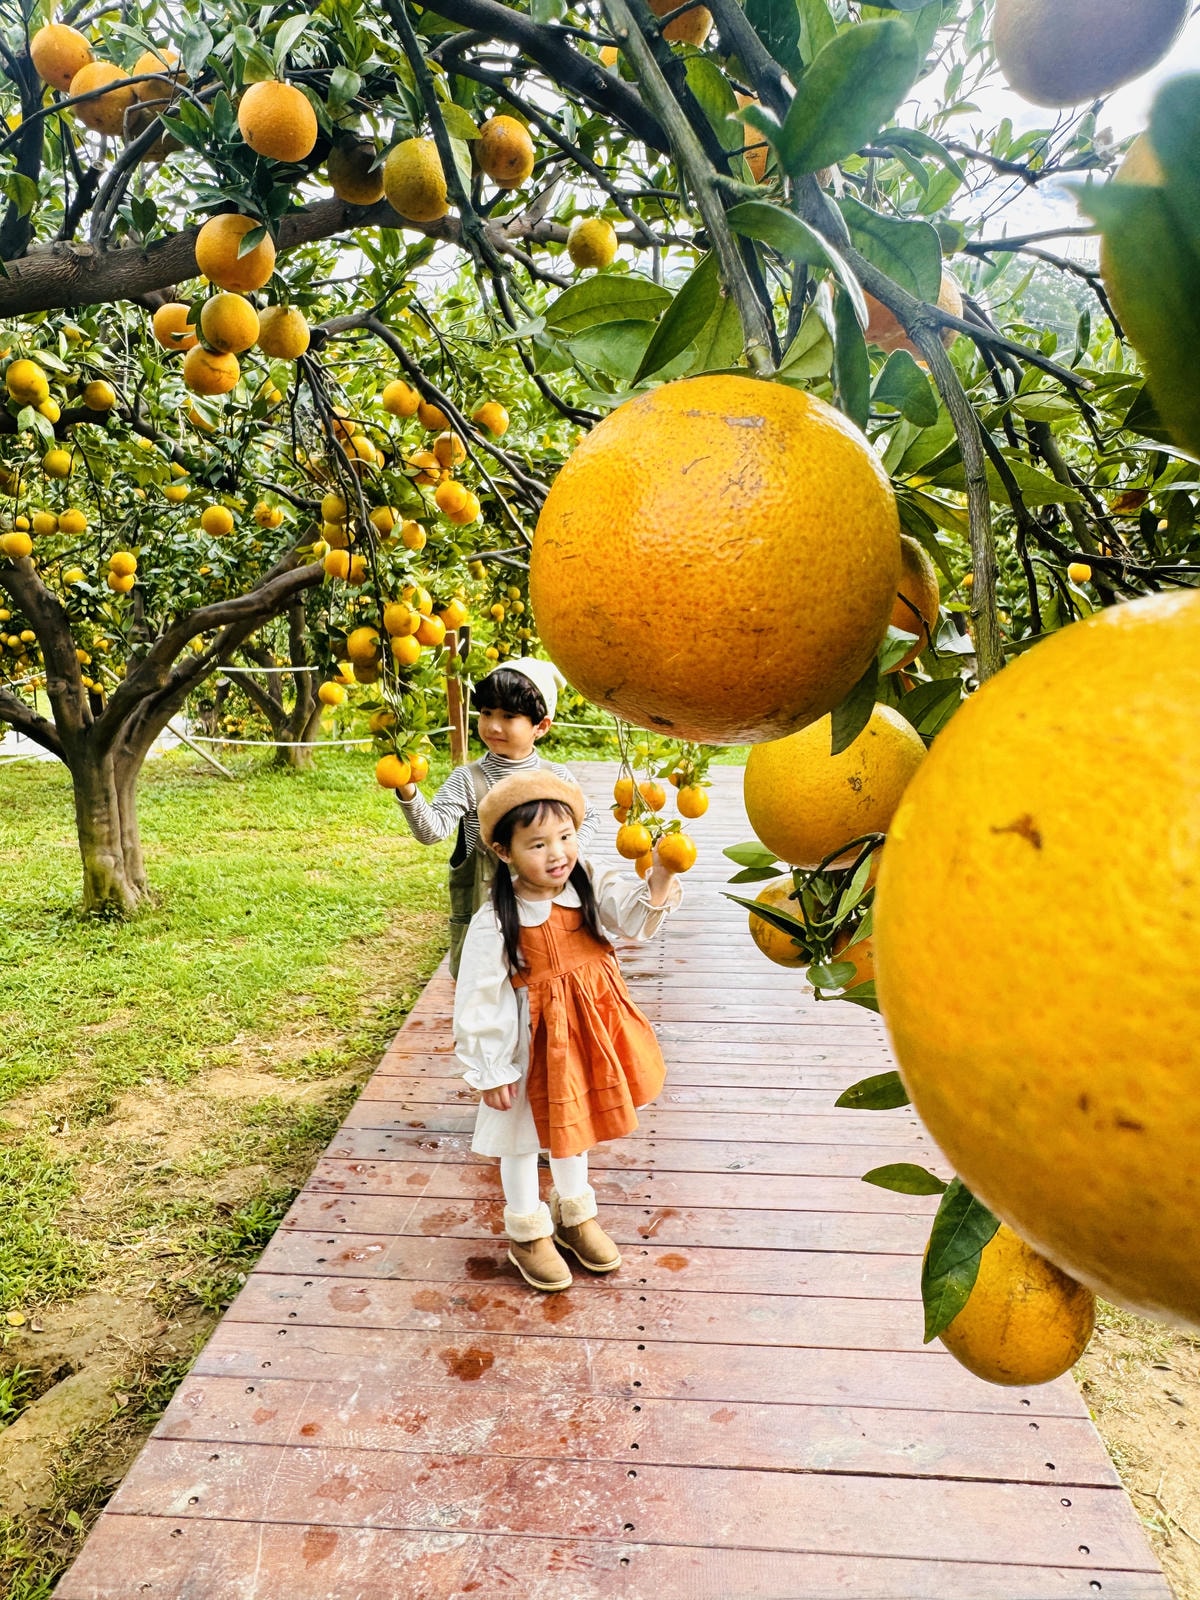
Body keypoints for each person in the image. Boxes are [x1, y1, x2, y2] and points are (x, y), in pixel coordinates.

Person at [453, 771, 683, 1292]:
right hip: (529, 1044)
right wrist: (490, 1067)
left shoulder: (586, 880)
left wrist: (662, 875)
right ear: (504, 852)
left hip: (584, 1032)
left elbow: (635, 919)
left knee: (573, 1126)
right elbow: (479, 997)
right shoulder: (497, 919)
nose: (557, 853)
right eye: (537, 844)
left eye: (565, 837)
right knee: (519, 1138)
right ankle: (527, 1230)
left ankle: (575, 1215)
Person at [394, 658, 598, 977]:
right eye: (486, 713)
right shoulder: (469, 780)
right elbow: (431, 832)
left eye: (508, 716)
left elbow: (590, 817)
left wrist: (569, 852)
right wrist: (407, 790)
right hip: (489, 921)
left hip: (547, 919)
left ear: (541, 726)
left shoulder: (555, 777)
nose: (492, 726)